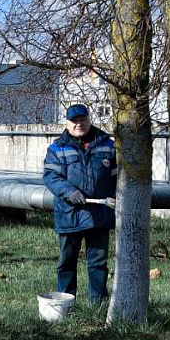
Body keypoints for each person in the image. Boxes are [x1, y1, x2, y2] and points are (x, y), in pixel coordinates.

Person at [43, 103, 117, 305]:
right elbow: (51, 176)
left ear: (89, 119)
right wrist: (70, 192)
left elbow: (117, 178)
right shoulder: (57, 148)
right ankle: (65, 304)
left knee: (98, 263)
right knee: (67, 262)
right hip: (69, 214)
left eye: (82, 119)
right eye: (74, 121)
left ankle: (98, 306)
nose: (79, 124)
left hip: (99, 215)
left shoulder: (107, 145)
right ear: (67, 123)